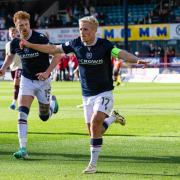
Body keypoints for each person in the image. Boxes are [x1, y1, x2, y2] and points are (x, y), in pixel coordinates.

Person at [20, 16, 148, 173]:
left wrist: (137, 60)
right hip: (87, 95)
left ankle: (92, 165)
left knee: (95, 123)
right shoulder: (75, 44)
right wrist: (29, 44)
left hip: (104, 92)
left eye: (85, 29)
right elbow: (53, 49)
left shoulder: (105, 45)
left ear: (94, 30)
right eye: (80, 29)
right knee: (95, 131)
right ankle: (113, 118)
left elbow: (121, 53)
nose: (82, 32)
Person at [0, 11, 59, 159]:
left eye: (26, 24)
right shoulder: (15, 42)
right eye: (21, 25)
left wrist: (47, 72)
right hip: (26, 80)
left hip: (43, 81)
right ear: (16, 26)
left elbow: (58, 55)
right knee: (22, 112)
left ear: (29, 23)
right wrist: (3, 68)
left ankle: (52, 104)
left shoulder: (40, 38)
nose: (24, 27)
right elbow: (10, 56)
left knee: (44, 116)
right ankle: (23, 148)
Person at [5, 27, 22, 110]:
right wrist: (4, 68)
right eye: (11, 32)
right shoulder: (7, 44)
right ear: (9, 34)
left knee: (16, 84)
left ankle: (14, 103)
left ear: (16, 33)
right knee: (18, 86)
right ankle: (20, 104)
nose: (12, 34)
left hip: (20, 66)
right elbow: (7, 56)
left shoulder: (20, 42)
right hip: (12, 67)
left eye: (14, 32)